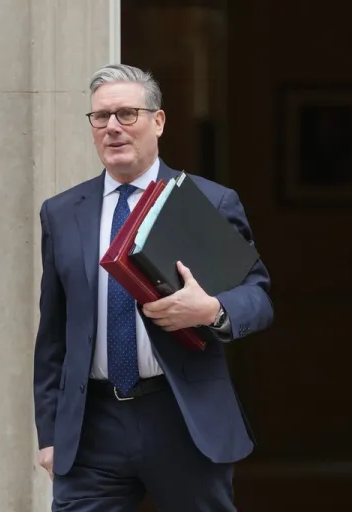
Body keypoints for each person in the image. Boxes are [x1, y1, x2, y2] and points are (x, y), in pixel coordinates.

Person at [33, 63, 273, 511]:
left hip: (182, 418)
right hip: (91, 429)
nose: (112, 128)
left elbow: (258, 297)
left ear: (158, 121)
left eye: (127, 114)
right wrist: (50, 435)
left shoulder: (207, 201)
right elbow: (53, 335)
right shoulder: (62, 213)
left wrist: (212, 310)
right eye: (101, 117)